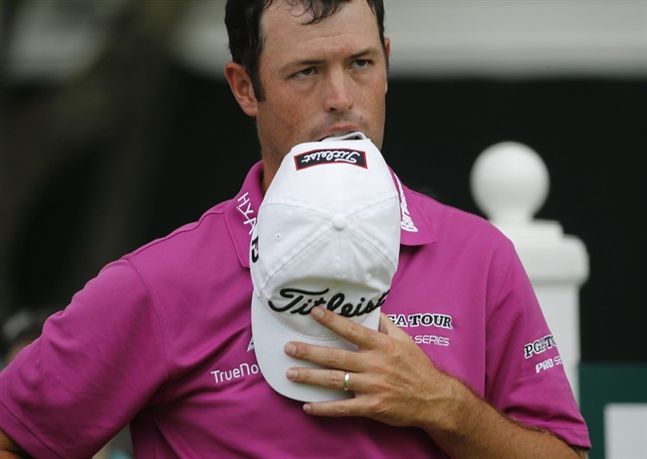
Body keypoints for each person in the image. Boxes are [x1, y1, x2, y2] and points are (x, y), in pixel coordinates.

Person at [0, 0, 590, 457]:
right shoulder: (160, 283)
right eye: (305, 71)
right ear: (243, 87)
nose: (340, 99)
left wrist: (446, 408)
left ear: (387, 61)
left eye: (360, 63)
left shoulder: (478, 257)